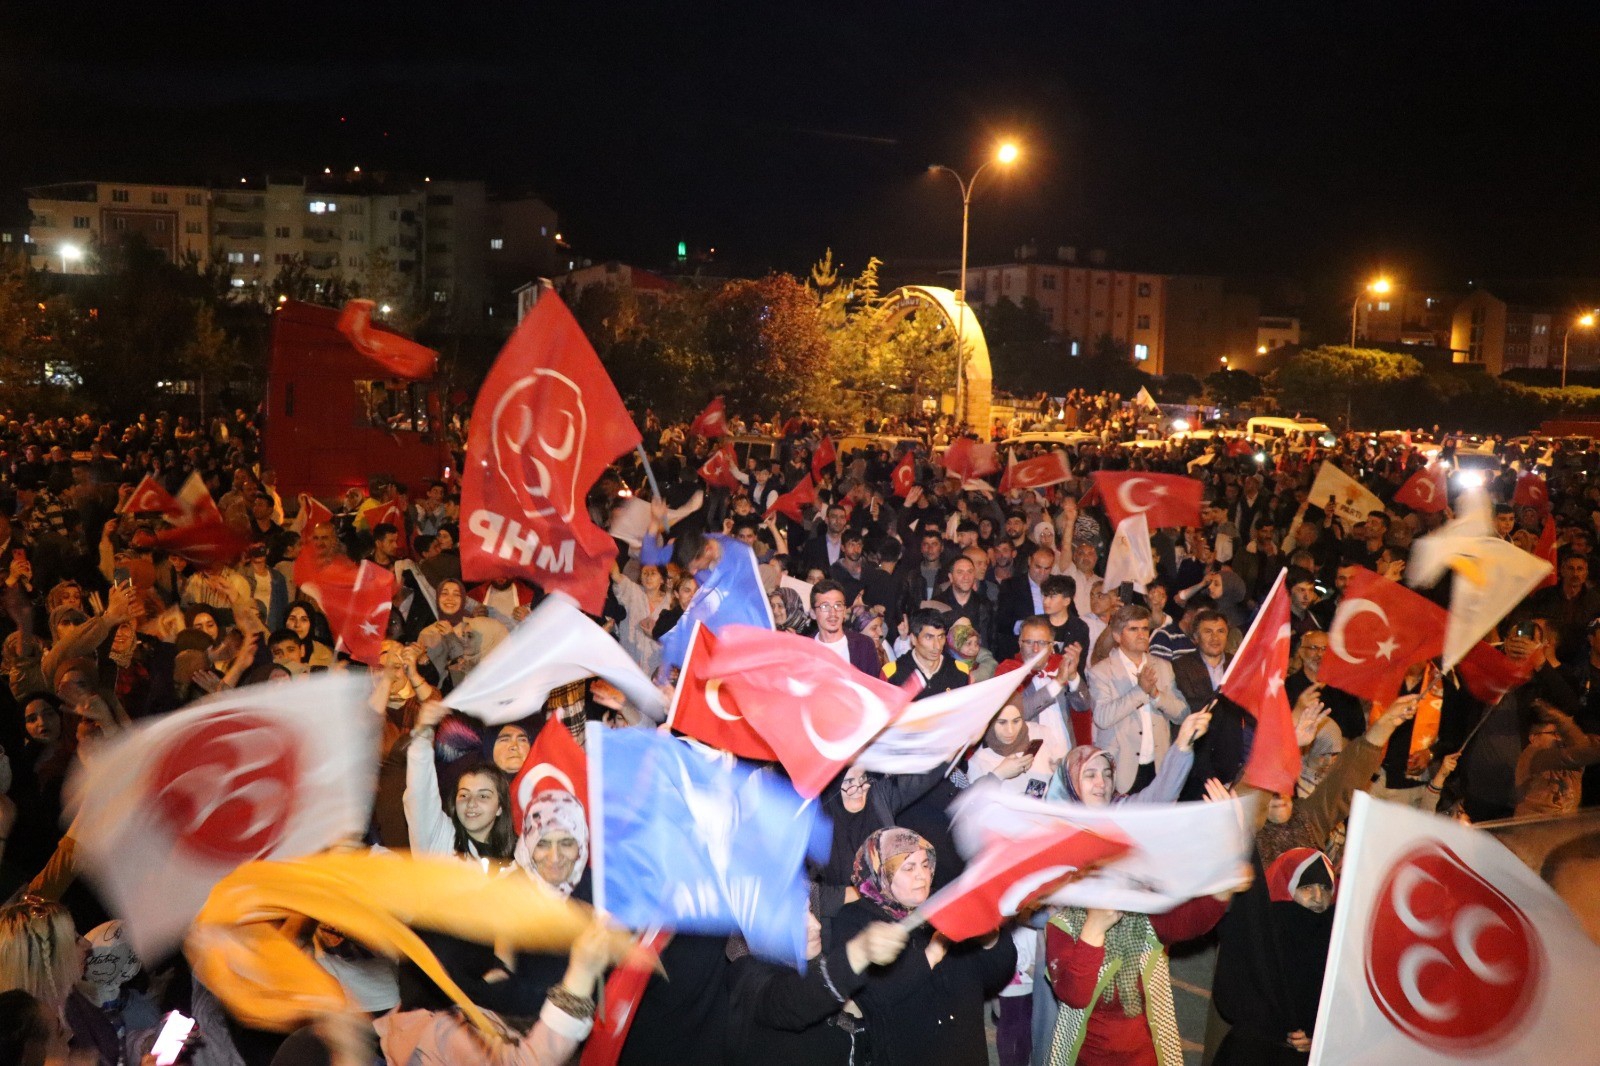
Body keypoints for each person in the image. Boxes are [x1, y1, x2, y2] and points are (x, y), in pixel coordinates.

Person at [832, 828, 1017, 1066]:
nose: (922, 875)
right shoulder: (855, 921)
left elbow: (996, 977)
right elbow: (878, 995)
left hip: (967, 1052)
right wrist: (933, 953)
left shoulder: (945, 905)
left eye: (925, 864)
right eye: (908, 868)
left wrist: (990, 938)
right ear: (880, 873)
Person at [724, 907, 910, 1066]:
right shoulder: (745, 974)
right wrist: (858, 953)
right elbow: (790, 1003)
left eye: (811, 910)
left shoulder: (816, 963)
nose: (816, 925)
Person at [1211, 849, 1338, 1065]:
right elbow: (1234, 995)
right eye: (1306, 887)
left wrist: (1320, 1036)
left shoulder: (1336, 943)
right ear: (1284, 886)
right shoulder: (1257, 937)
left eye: (1326, 888)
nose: (1318, 897)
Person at [1086, 606, 1190, 794]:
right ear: (1117, 636)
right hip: (1120, 768)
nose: (1141, 634)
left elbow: (1182, 714)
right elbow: (1102, 718)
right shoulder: (1100, 672)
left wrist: (1156, 695)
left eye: (1145, 629)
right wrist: (1140, 691)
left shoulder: (1164, 667)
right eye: (1133, 629)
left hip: (1158, 766)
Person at [404, 701, 516, 861]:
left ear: (500, 806)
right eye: (463, 795)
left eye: (483, 796)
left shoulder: (519, 856)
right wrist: (422, 737)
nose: (471, 802)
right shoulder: (440, 840)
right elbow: (420, 793)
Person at [882, 609, 970, 696]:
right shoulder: (892, 674)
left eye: (940, 637)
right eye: (929, 637)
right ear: (913, 639)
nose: (937, 646)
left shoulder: (960, 671)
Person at [812, 580, 881, 675]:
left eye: (838, 605)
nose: (833, 613)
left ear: (844, 611)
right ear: (813, 613)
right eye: (825, 606)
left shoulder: (864, 646)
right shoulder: (803, 648)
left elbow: (874, 686)